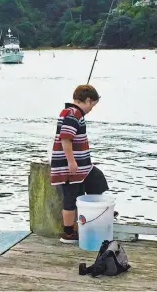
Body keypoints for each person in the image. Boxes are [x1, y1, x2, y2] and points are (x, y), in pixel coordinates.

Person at [50, 84, 113, 243]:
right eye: (92, 105)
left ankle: (99, 208)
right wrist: (71, 162)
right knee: (71, 198)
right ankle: (68, 233)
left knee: (96, 177)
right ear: (87, 100)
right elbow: (65, 138)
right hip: (72, 168)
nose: (92, 108)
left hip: (84, 167)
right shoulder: (73, 115)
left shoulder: (74, 112)